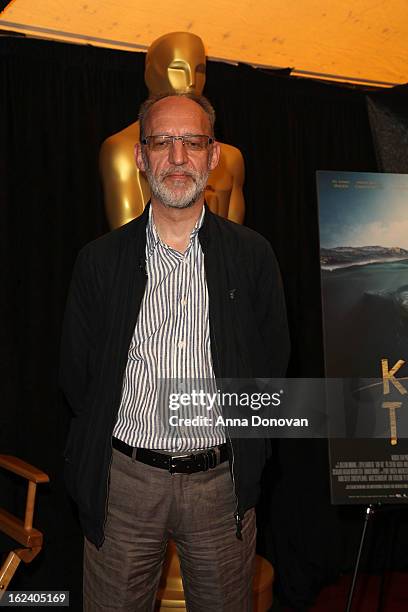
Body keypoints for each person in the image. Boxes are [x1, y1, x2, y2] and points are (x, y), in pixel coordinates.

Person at [60, 92, 290, 611]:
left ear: (213, 156)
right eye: (163, 142)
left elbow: (272, 365)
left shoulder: (253, 257)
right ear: (141, 158)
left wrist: (249, 455)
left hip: (221, 486)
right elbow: (78, 379)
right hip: (124, 487)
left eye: (193, 142)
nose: (178, 157)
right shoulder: (98, 263)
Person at [100, 31, 245, 228]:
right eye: (178, 68)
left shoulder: (231, 158)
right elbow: (127, 239)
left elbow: (234, 241)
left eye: (199, 70)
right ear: (151, 75)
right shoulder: (120, 150)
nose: (191, 80)